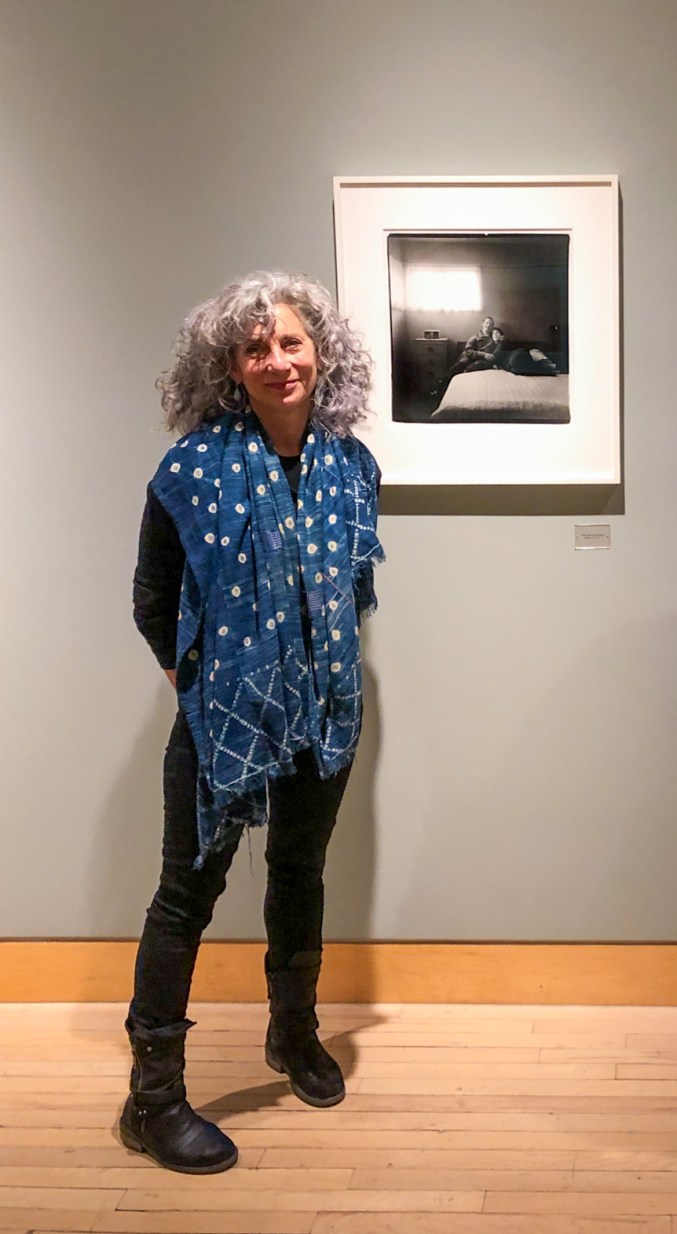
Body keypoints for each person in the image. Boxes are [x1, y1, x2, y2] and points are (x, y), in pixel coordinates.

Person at [123, 271, 383, 1174]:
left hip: (325, 714)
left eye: (291, 342)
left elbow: (355, 587)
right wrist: (210, 687)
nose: (277, 361)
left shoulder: (353, 466)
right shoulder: (190, 470)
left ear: (322, 353)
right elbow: (153, 599)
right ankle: (152, 1098)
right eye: (254, 347)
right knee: (184, 897)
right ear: (229, 366)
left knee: (299, 871)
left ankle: (292, 1033)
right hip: (221, 719)